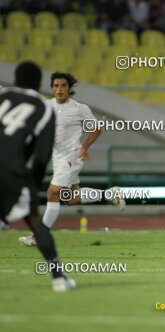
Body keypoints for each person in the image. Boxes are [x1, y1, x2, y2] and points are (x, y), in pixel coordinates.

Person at [19, 72, 126, 247]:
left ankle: (39, 236)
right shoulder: (47, 106)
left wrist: (85, 147)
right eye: (56, 86)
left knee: (52, 193)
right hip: (57, 157)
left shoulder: (78, 108)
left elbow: (97, 128)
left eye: (63, 86)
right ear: (52, 88)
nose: (59, 89)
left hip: (71, 157)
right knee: (70, 198)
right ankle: (110, 194)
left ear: (69, 88)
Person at [0, 61, 75, 291]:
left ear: (14, 79)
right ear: (41, 84)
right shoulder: (43, 108)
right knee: (34, 221)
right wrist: (32, 181)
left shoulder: (2, 95)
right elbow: (42, 155)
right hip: (12, 170)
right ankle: (58, 278)